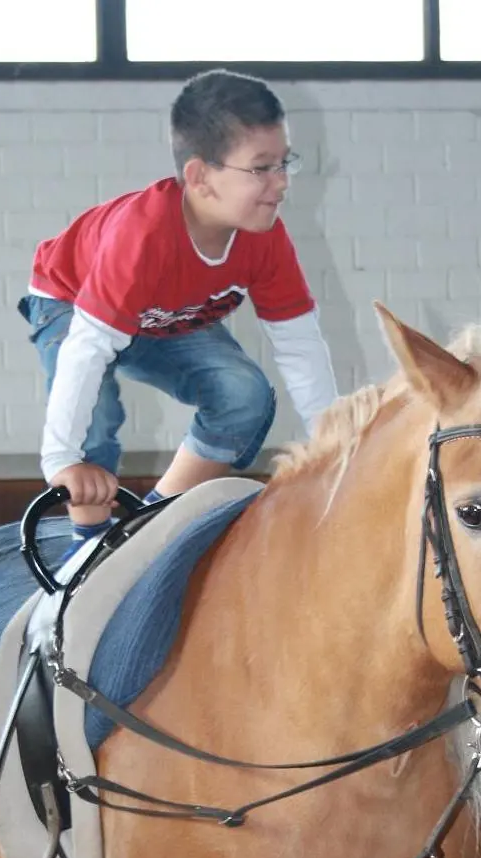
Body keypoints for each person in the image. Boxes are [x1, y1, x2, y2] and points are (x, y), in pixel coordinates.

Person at [18, 68, 339, 540]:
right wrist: (62, 459)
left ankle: (150, 523)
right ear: (200, 177)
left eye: (284, 163)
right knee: (97, 422)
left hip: (170, 315)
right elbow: (86, 350)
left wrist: (334, 442)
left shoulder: (265, 238)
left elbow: (300, 344)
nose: (281, 183)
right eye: (261, 167)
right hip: (72, 302)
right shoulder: (143, 237)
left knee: (244, 395)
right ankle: (83, 554)